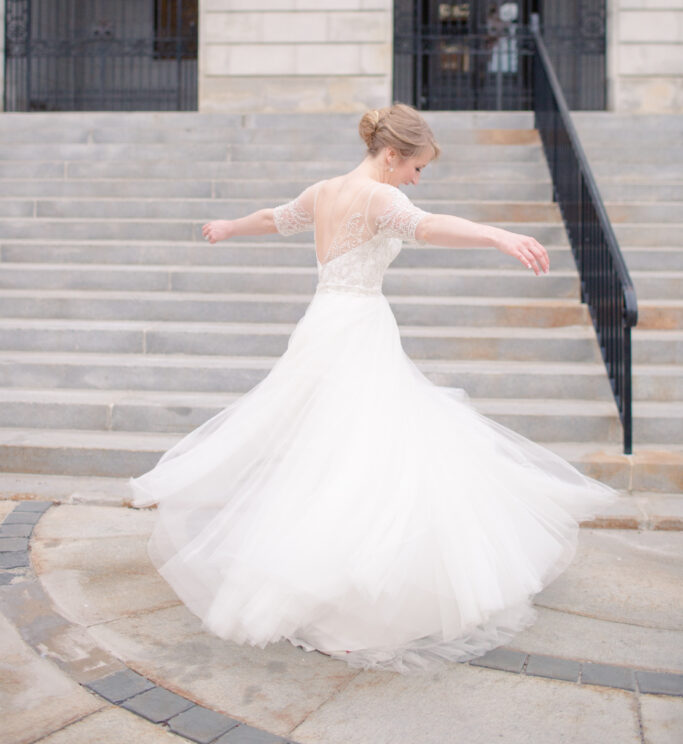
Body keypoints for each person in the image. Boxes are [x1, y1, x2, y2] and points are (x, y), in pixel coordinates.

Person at [130, 104, 619, 673]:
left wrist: (230, 226)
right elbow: (430, 226)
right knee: (363, 450)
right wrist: (497, 235)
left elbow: (276, 217)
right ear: (391, 156)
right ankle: (347, 600)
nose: (416, 179)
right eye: (416, 168)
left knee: (327, 449)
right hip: (357, 326)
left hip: (320, 324)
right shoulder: (380, 197)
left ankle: (312, 579)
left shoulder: (325, 190)